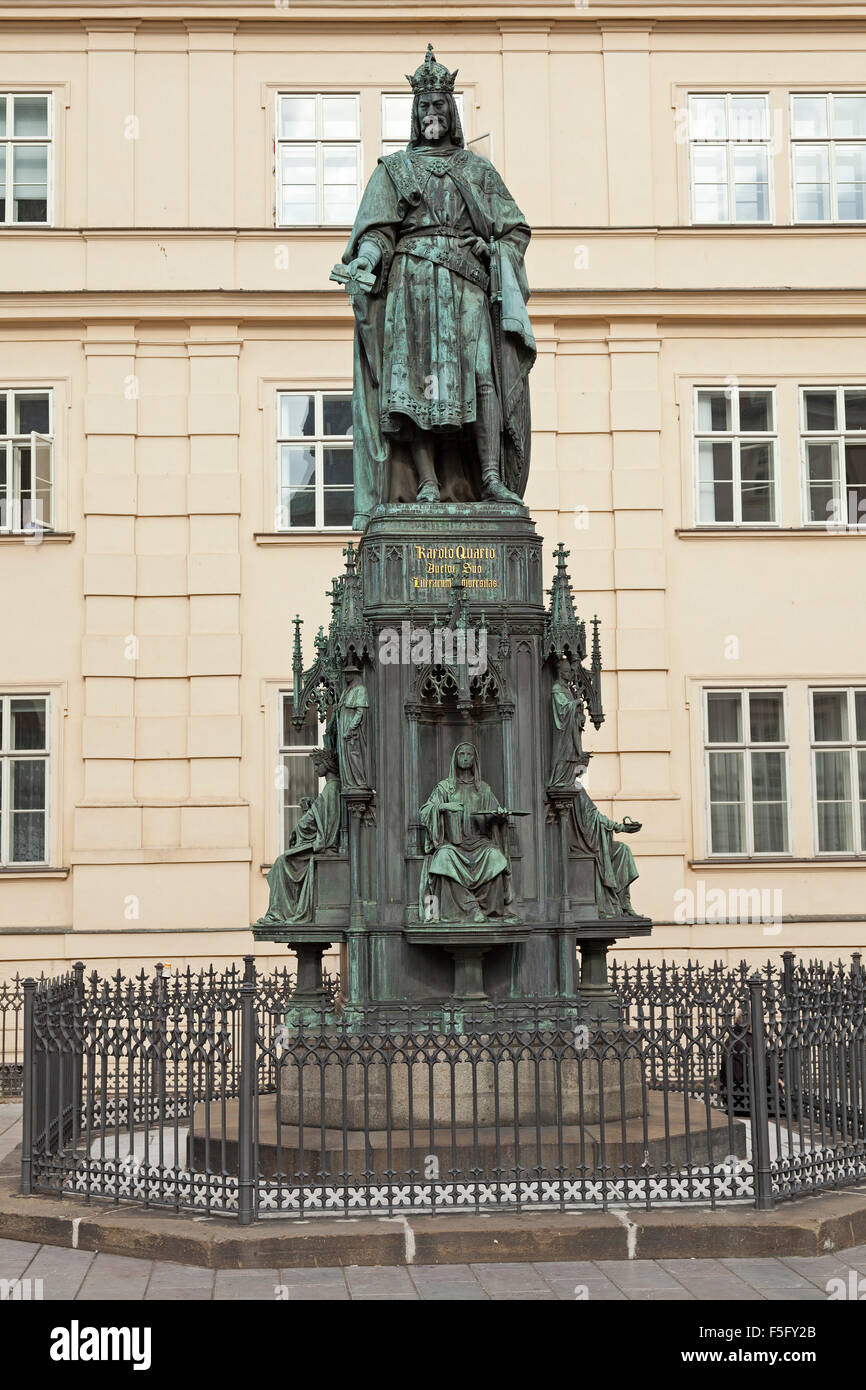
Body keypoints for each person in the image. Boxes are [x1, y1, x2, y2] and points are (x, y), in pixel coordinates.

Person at [339, 44, 536, 530]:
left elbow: (515, 230)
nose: (433, 113)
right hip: (411, 287)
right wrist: (365, 259)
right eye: (425, 105)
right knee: (414, 387)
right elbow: (376, 234)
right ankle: (425, 482)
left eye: (440, 105)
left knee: (483, 376)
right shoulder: (394, 171)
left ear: (452, 112)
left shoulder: (478, 171)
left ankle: (490, 476)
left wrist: (494, 250)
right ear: (415, 113)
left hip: (466, 281)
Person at [418, 741, 514, 923]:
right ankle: (470, 908)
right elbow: (424, 811)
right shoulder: (445, 787)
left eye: (469, 755)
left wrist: (500, 816)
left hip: (479, 843)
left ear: (474, 759)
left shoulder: (483, 789)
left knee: (495, 857)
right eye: (461, 754)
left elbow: (493, 815)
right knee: (443, 858)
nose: (465, 758)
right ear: (455, 758)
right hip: (453, 845)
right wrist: (444, 806)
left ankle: (492, 911)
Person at [256, 748, 341, 925]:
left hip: (321, 848)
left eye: (317, 765)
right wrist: (310, 810)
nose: (315, 769)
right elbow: (319, 817)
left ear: (326, 764)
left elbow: (317, 824)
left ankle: (279, 914)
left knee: (281, 863)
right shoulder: (330, 789)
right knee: (282, 862)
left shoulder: (331, 790)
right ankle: (279, 912)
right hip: (320, 845)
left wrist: (304, 821)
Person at [571, 761, 642, 918]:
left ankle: (624, 902)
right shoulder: (574, 787)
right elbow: (592, 817)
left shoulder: (575, 786)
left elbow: (593, 817)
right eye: (582, 765)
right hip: (579, 842)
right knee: (620, 851)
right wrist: (620, 827)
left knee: (622, 850)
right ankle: (616, 903)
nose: (583, 770)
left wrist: (620, 827)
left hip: (585, 839)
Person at [549, 655, 586, 788]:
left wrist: (580, 714)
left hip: (572, 731)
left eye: (571, 671)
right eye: (568, 671)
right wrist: (575, 704)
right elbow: (562, 709)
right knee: (564, 755)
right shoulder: (557, 689)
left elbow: (572, 709)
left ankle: (568, 782)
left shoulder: (567, 689)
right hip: (563, 733)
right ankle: (559, 781)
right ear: (561, 673)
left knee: (572, 756)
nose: (571, 674)